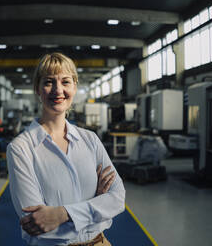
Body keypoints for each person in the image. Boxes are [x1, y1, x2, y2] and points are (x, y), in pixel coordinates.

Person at [7, 52, 125, 246]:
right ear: (37, 88)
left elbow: (118, 199)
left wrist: (61, 214)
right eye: (48, 82)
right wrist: (96, 204)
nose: (58, 90)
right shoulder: (21, 149)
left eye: (65, 82)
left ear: (75, 87)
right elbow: (37, 225)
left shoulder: (90, 140)